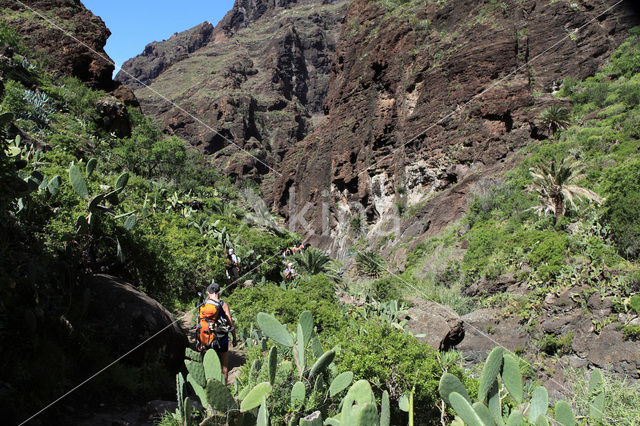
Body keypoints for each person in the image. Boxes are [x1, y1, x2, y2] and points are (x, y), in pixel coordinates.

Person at [204, 282, 237, 385]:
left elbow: (199, 323)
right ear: (219, 292)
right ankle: (224, 388)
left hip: (207, 337)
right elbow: (230, 321)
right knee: (224, 366)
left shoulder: (204, 305)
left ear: (208, 293)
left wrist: (199, 340)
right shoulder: (223, 305)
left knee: (210, 364)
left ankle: (210, 388)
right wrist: (234, 337)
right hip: (222, 337)